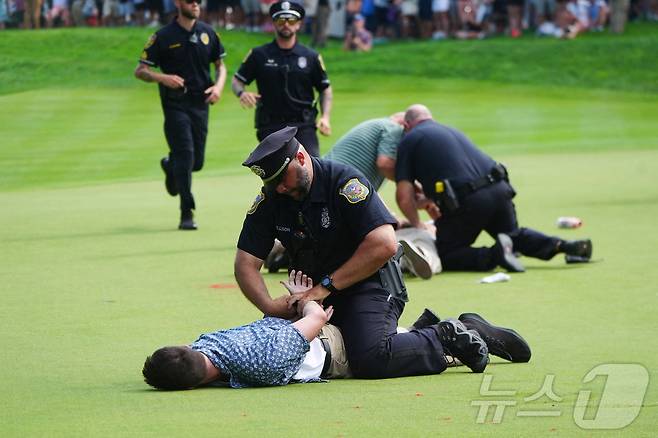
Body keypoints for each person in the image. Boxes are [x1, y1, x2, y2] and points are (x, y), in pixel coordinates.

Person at [234, 126, 491, 379]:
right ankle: (420, 332)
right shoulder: (272, 199)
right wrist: (270, 306)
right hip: (316, 296)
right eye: (270, 182)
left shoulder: (344, 182)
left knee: (370, 358)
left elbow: (384, 244)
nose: (278, 188)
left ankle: (446, 334)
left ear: (301, 158)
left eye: (281, 179)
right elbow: (245, 263)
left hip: (369, 285)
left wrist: (324, 287)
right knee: (270, 345)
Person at [395, 104, 594, 273]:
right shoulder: (450, 130)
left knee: (446, 253)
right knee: (512, 235)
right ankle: (563, 246)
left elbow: (404, 197)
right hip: (499, 189)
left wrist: (417, 224)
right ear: (430, 118)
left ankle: (494, 256)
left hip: (469, 202)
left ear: (406, 125)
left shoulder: (409, 140)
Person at [134, 0, 227, 230]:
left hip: (200, 104)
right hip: (175, 105)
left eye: (198, 1)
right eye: (190, 1)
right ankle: (187, 212)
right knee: (186, 154)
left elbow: (221, 65)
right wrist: (164, 78)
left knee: (196, 163)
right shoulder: (163, 36)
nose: (195, 4)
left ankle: (171, 165)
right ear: (178, 3)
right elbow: (141, 71)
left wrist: (218, 87)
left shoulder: (208, 33)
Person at [231, 1, 332, 157]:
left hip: (303, 126)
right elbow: (237, 81)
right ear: (274, 23)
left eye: (291, 20)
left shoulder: (310, 56)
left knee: (311, 172)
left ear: (298, 24)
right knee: (277, 175)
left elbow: (325, 89)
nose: (286, 24)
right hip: (270, 126)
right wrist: (241, 93)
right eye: (281, 20)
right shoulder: (259, 55)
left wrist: (325, 117)